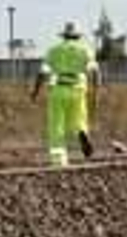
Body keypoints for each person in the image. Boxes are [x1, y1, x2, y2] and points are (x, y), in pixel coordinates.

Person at [30, 21, 100, 167]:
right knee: (79, 119)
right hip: (78, 89)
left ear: (63, 36)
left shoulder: (54, 50)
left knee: (57, 126)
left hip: (58, 89)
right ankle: (82, 132)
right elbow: (95, 71)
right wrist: (96, 92)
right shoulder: (85, 50)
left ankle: (59, 161)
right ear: (77, 36)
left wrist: (35, 92)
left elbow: (42, 72)